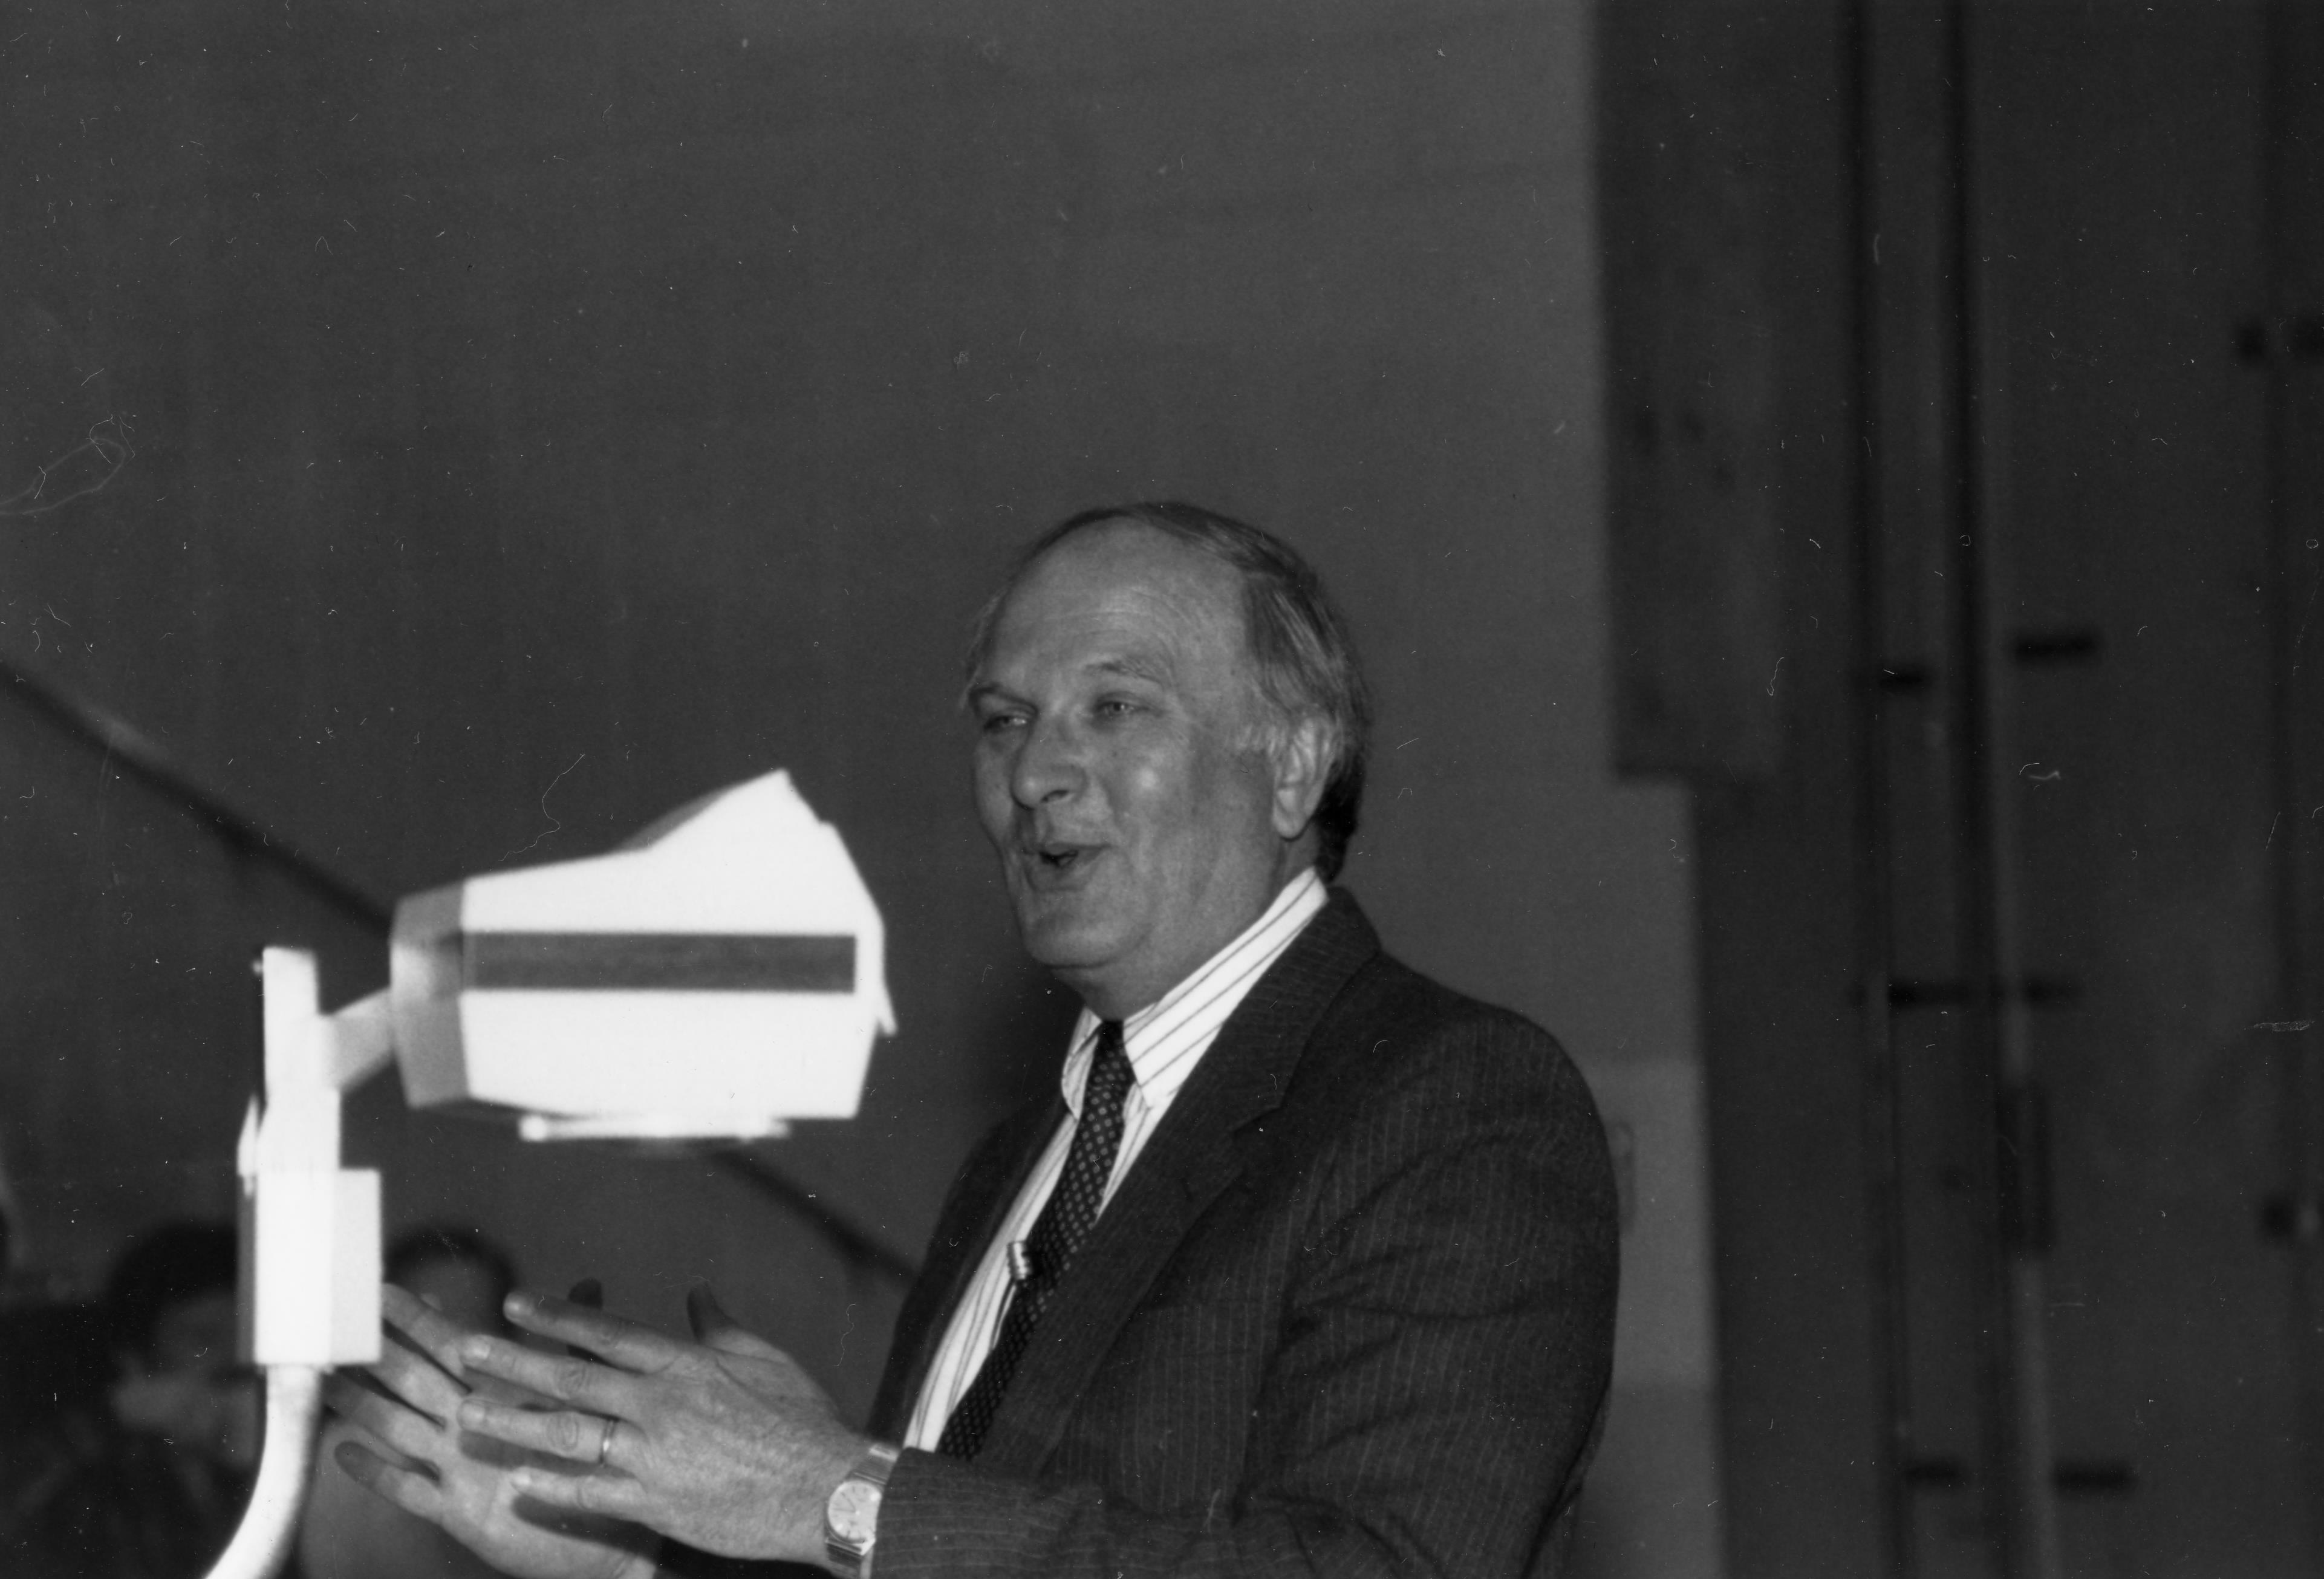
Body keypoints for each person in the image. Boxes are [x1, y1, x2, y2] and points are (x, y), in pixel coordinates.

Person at [328, 502, 1619, 1578]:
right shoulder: (1033, 1151)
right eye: (1005, 721)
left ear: (1292, 770)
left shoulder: (1449, 1100)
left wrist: (833, 1486)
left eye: (1114, 709)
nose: (1036, 774)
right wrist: (647, 1553)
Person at [4, 1220, 263, 1579]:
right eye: (203, 1338)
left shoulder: (269, 1459)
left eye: (245, 1339)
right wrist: (111, 1417)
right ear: (135, 1358)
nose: (232, 1360)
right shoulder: (99, 1480)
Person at [298, 1226, 523, 1579]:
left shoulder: (532, 1453)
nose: (451, 1346)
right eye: (426, 1323)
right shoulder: (339, 1457)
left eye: (474, 1323)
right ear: (385, 1333)